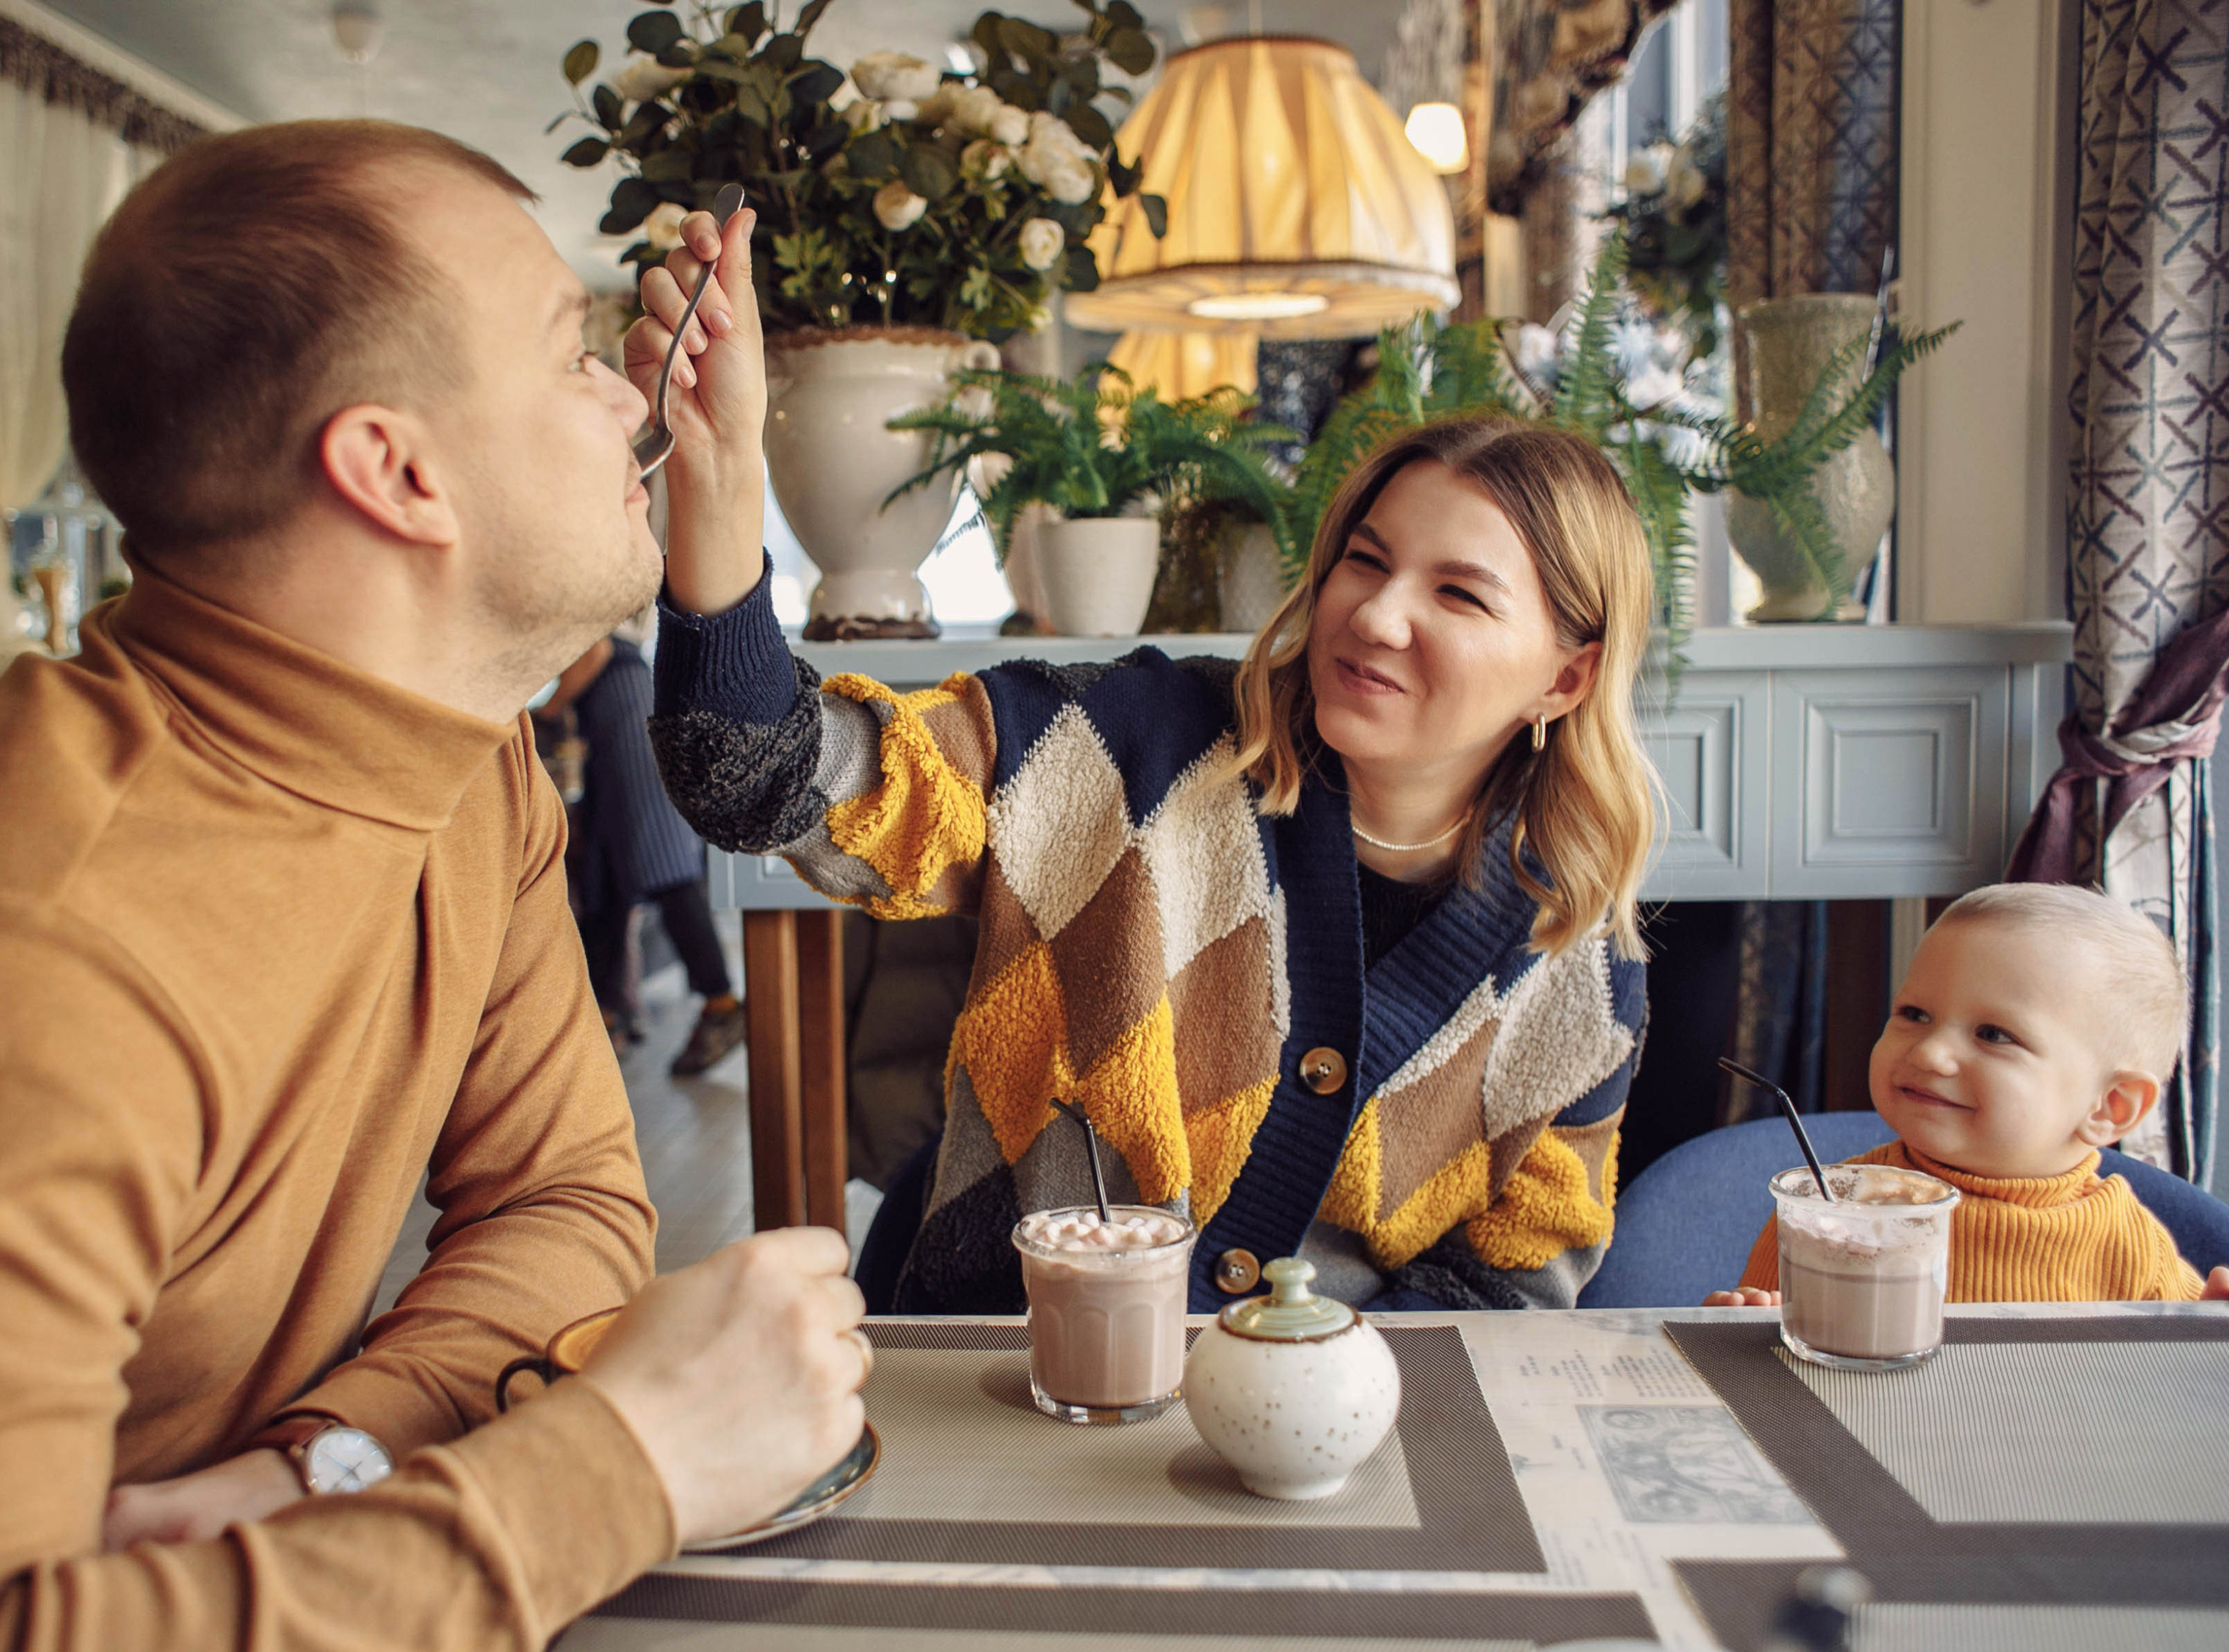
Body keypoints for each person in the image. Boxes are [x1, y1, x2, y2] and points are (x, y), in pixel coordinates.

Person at [0, 121, 869, 1652]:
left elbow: (567, 1195)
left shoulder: (462, 767)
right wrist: (625, 1463)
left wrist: (318, 1461)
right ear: (398, 472)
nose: (632, 396)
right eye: (570, 353)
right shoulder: (16, 950)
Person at [632, 206, 1656, 1315]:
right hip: (1008, 1381)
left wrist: (1296, 1401)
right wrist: (722, 476)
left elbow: (1511, 1288)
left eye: (1457, 594)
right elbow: (759, 773)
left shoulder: (1579, 969)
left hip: (1323, 1446)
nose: (1375, 615)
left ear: (1565, 678)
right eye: (1364, 561)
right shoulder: (1125, 745)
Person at [1705, 883, 2229, 1308]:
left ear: (2109, 1106)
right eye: (1914, 1014)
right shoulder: (1825, 1215)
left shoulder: (2130, 1249)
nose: (1929, 1054)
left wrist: (2218, 1333)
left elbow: (2178, 1398)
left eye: (1994, 1034)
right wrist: (1733, 1328)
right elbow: (1755, 1383)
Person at [535, 634, 747, 1073]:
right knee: (605, 875)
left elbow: (594, 651)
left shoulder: (581, 589)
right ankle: (607, 1015)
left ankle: (720, 1004)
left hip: (628, 722)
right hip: (614, 725)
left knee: (665, 865)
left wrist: (548, 712)